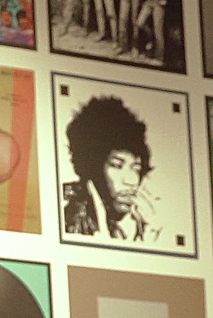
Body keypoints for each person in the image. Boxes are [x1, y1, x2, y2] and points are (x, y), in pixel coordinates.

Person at [60, 93, 167, 245]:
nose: (131, 180)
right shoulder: (65, 210)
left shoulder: (123, 228)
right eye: (117, 166)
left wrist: (150, 234)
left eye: (136, 168)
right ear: (93, 166)